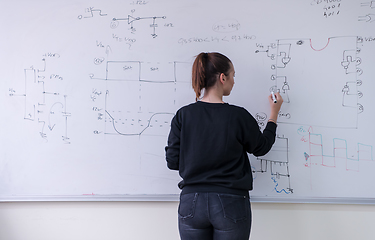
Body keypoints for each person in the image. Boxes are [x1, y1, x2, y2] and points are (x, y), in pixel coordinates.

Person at [165, 52, 283, 240]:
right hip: (231, 202)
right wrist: (273, 114)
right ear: (222, 77)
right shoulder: (238, 116)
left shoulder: (183, 115)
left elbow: (172, 162)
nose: (234, 81)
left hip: (191, 202)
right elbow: (261, 147)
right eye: (233, 75)